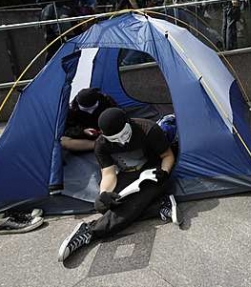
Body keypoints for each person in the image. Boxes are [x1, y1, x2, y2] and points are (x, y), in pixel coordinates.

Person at [58, 108, 181, 262]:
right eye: (115, 139)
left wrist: (164, 171)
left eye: (124, 135)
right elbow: (108, 173)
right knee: (102, 205)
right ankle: (158, 206)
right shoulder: (101, 144)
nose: (122, 141)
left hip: (153, 171)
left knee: (137, 199)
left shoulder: (148, 129)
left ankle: (90, 231)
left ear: (129, 123)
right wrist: (104, 193)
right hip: (128, 174)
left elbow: (167, 155)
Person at [61, 88, 117, 152]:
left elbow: (117, 116)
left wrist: (106, 128)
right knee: (63, 141)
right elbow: (67, 130)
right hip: (86, 138)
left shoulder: (106, 101)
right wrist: (83, 131)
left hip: (107, 132)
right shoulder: (72, 110)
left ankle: (109, 143)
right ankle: (102, 145)